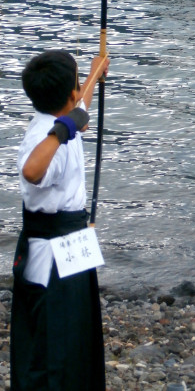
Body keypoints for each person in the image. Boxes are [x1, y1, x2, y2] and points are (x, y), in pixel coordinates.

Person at [10, 49, 110, 391]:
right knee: (53, 345)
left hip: (72, 239)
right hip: (49, 252)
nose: (81, 87)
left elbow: (79, 112)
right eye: (78, 82)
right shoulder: (47, 135)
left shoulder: (64, 117)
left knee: (77, 334)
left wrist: (95, 73)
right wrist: (63, 128)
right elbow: (32, 170)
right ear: (68, 96)